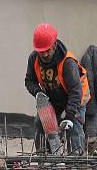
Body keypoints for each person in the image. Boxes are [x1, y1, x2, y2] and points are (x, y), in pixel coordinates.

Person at [24, 23, 90, 153]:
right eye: (41, 52)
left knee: (74, 127)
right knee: (40, 124)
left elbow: (76, 93)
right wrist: (37, 92)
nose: (44, 54)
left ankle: (75, 166)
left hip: (75, 98)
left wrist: (69, 116)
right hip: (53, 98)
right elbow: (29, 80)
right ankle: (45, 161)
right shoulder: (34, 59)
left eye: (47, 50)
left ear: (54, 45)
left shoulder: (67, 63)